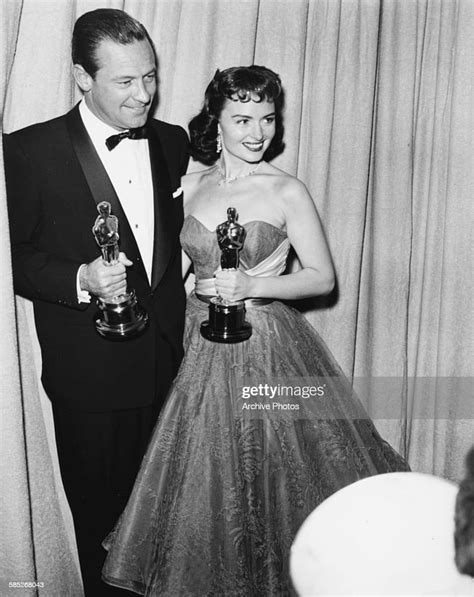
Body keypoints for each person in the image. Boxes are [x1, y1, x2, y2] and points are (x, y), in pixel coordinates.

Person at [102, 66, 409, 596]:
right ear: (215, 122)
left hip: (265, 345)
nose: (256, 132)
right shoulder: (188, 186)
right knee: (206, 485)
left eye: (266, 119)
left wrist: (251, 285)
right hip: (197, 347)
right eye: (241, 118)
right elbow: (170, 276)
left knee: (274, 479)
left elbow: (322, 278)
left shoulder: (286, 190)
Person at [4, 8, 188, 596]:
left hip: (172, 372)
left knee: (169, 527)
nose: (145, 95)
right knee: (103, 532)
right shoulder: (26, 152)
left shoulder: (172, 141)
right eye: (126, 81)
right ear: (83, 77)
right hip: (91, 381)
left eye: (151, 77)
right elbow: (18, 257)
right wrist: (81, 276)